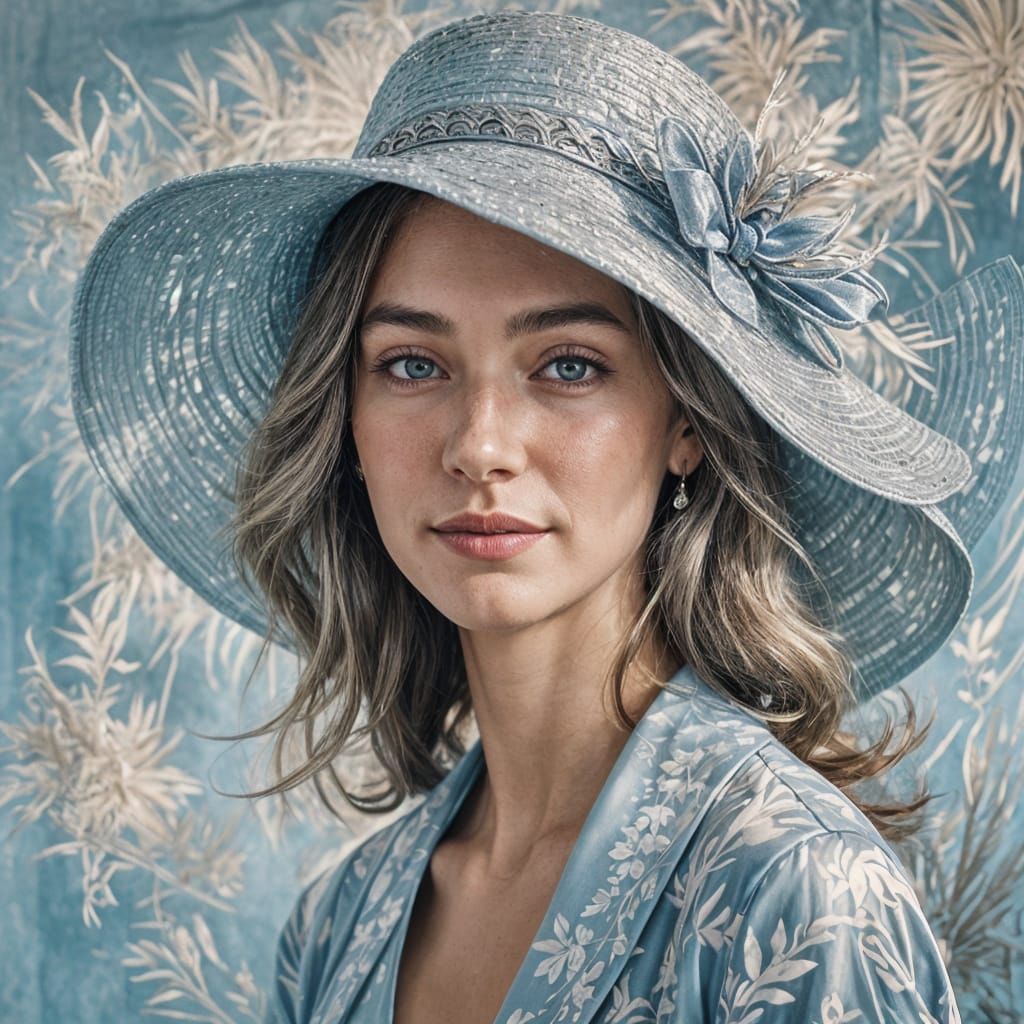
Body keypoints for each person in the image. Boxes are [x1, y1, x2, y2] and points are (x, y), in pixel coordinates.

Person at [67, 10, 1024, 1024]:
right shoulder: (336, 928)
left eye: (568, 365)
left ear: (686, 425)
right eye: (411, 363)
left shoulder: (795, 895)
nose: (479, 444)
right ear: (344, 420)